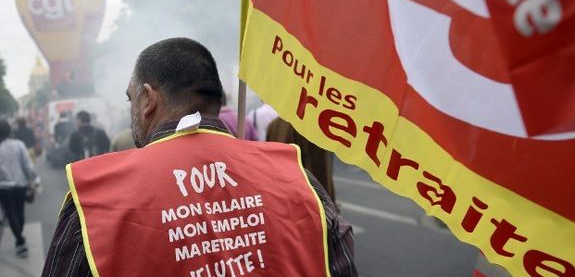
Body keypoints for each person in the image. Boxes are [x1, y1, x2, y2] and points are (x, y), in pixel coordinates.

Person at [42, 38, 356, 276]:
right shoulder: (296, 176)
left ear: (148, 99)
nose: (130, 110)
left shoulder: (95, 198)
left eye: (130, 98)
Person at [267, 117, 336, 203]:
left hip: (280, 195)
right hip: (306, 200)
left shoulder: (273, 125)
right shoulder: (311, 126)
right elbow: (320, 171)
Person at [0, 119, 39, 259]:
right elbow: (27, 166)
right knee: (20, 212)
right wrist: (35, 179)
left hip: (3, 188)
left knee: (11, 214)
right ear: (9, 130)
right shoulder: (18, 145)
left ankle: (19, 240)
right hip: (20, 185)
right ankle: (20, 239)